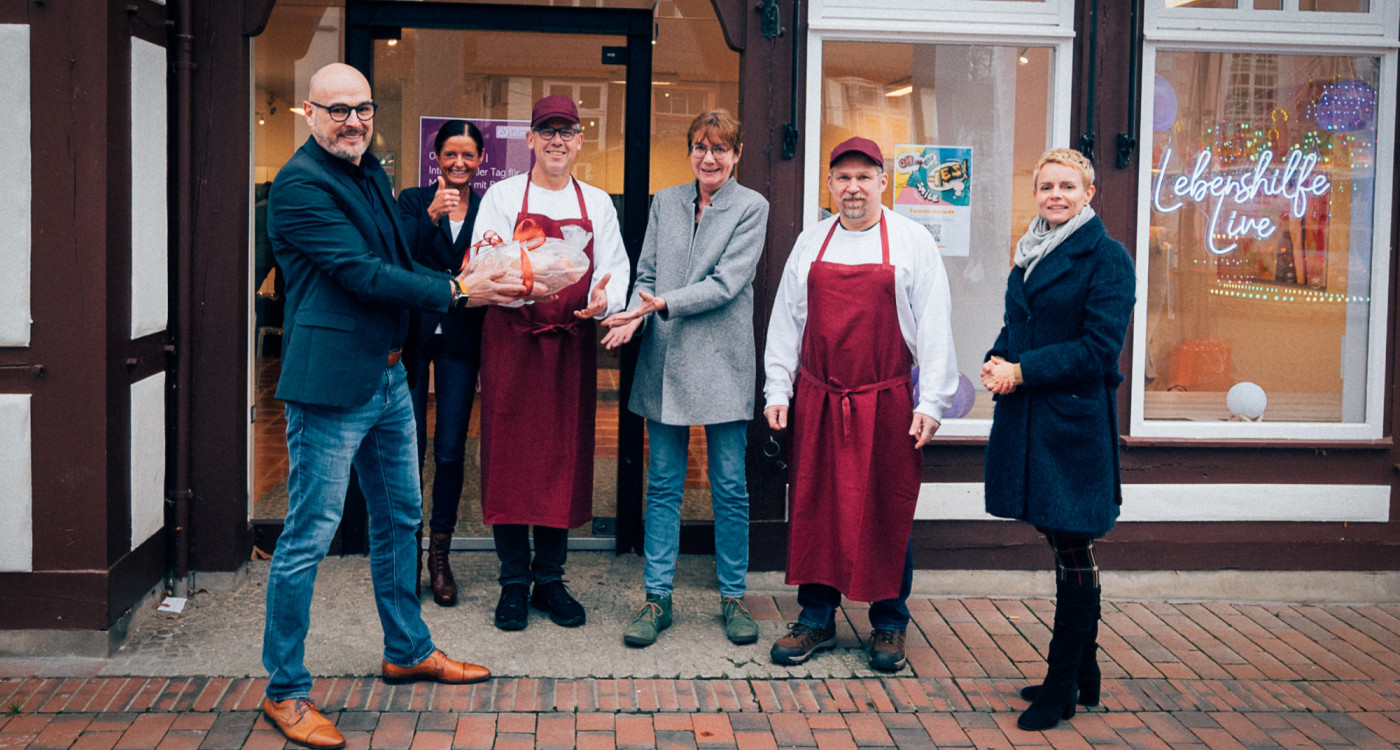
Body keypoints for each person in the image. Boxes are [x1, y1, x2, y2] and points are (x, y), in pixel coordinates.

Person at [262, 63, 523, 749]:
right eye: (339, 109)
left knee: (401, 515)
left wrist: (471, 271)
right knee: (307, 538)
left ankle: (406, 648)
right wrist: (462, 292)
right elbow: (362, 274)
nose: (353, 121)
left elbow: (400, 253)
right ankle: (284, 690)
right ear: (310, 113)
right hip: (329, 388)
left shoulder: (369, 173)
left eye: (364, 109)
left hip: (388, 381)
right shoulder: (298, 187)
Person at [762, 137, 958, 673]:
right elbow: (787, 321)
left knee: (886, 506)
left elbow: (936, 324)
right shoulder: (811, 242)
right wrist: (777, 389)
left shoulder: (913, 242)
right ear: (829, 185)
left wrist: (932, 401)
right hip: (820, 399)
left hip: (886, 397)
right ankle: (816, 618)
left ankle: (889, 624)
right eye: (843, 178)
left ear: (883, 182)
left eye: (864, 177)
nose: (853, 188)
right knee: (817, 505)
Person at [600, 109, 770, 648]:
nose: (709, 157)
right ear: (690, 151)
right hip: (665, 360)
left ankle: (734, 597)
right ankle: (657, 598)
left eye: (720, 148)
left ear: (737, 154)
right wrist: (632, 315)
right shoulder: (665, 201)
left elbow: (726, 283)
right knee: (665, 485)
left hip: (722, 362)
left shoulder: (752, 207)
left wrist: (663, 303)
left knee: (729, 488)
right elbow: (646, 271)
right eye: (700, 146)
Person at [980, 147, 1135, 731]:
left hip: (1071, 424)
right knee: (1060, 538)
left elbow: (1099, 349)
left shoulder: (1108, 259)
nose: (1054, 195)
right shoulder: (1031, 252)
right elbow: (1019, 324)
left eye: (1067, 186)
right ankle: (1081, 673)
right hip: (1031, 419)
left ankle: (1062, 683)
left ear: (1088, 193)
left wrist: (1022, 371)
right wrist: (997, 358)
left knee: (1073, 546)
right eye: (1046, 186)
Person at [471, 94, 629, 632]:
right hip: (512, 341)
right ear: (531, 140)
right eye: (547, 131)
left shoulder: (598, 203)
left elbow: (613, 266)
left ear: (581, 141)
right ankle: (514, 583)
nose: (557, 140)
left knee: (562, 459)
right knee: (510, 458)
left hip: (568, 344)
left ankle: (551, 579)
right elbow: (483, 262)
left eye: (567, 131)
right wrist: (524, 287)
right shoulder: (501, 195)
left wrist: (606, 300)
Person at [397, 120, 486, 607]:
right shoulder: (412, 201)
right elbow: (395, 257)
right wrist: (430, 214)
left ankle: (440, 556)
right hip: (411, 337)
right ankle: (406, 554)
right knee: (408, 448)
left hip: (460, 339)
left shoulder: (488, 207)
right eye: (450, 154)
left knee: (450, 450)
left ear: (479, 160)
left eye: (468, 156)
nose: (459, 164)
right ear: (436, 157)